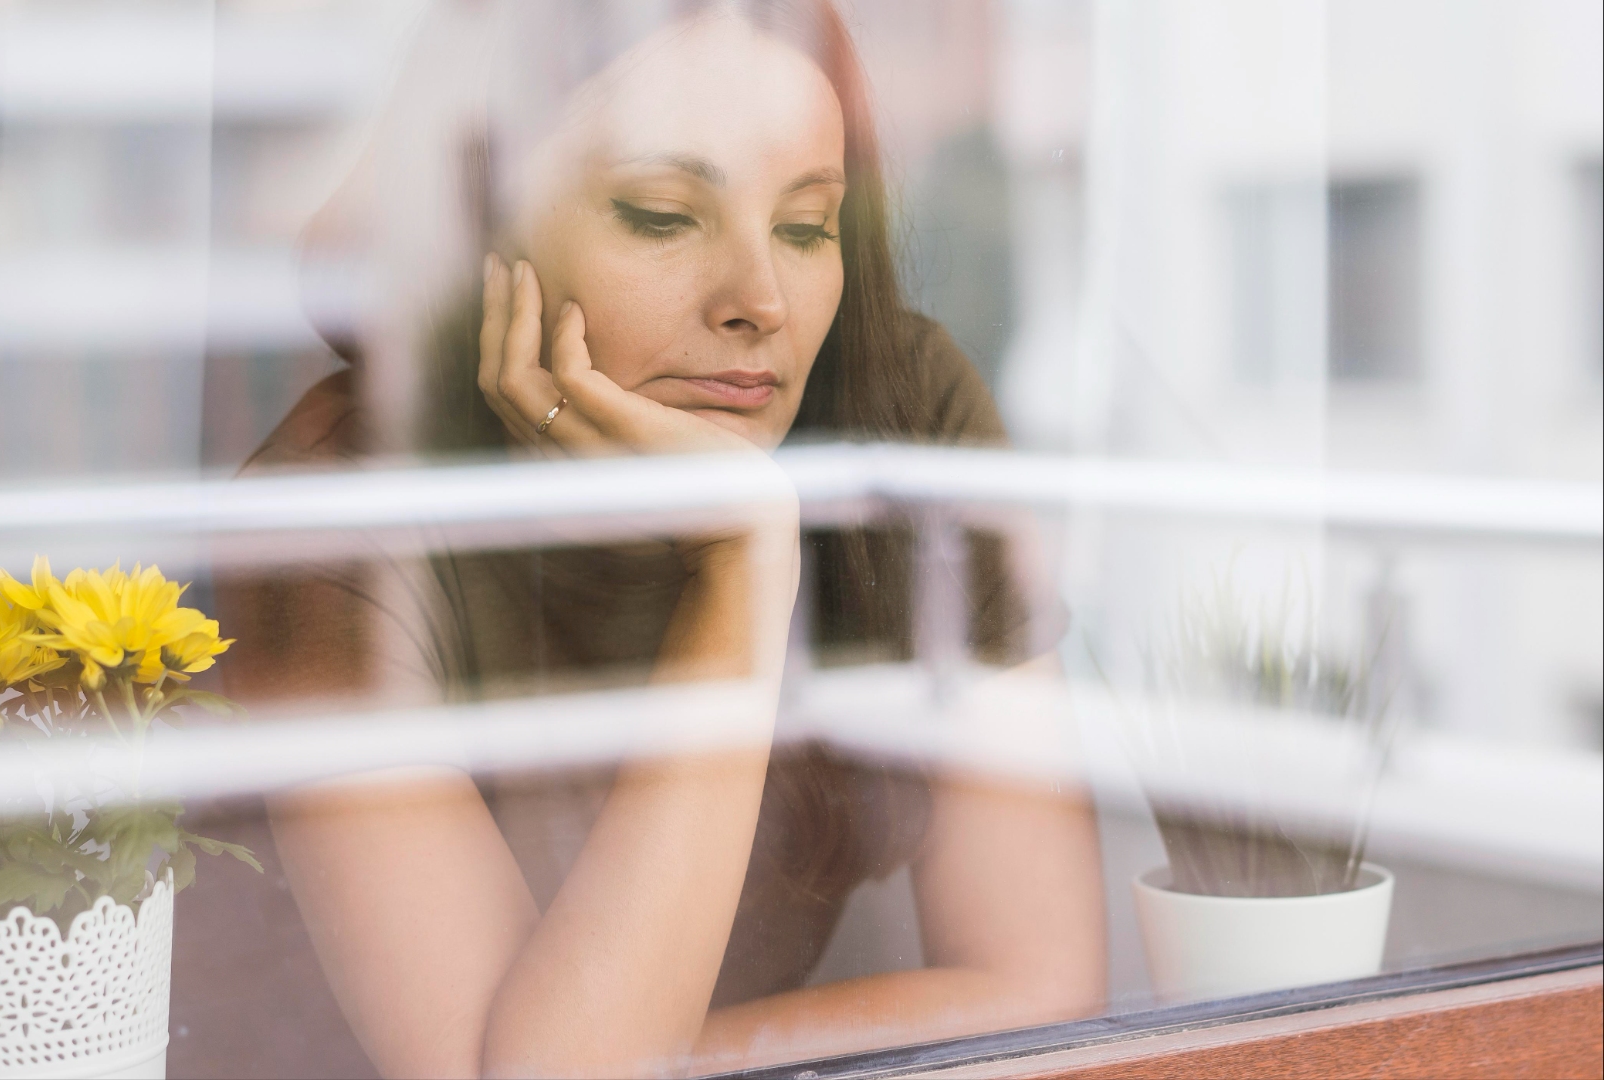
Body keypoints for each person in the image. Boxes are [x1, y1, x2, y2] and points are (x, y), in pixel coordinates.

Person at [191, 3, 1106, 1076]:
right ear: (481, 222)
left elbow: (1040, 985)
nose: (760, 300)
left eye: (808, 228)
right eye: (664, 215)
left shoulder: (899, 416)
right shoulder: (329, 516)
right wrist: (744, 568)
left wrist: (645, 1048)